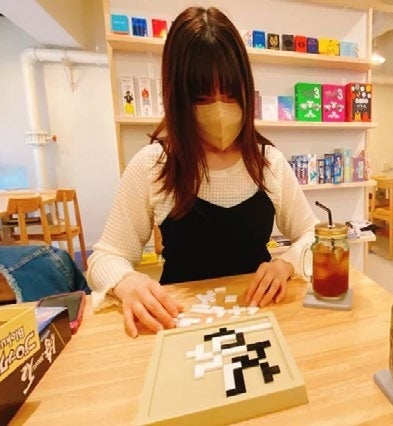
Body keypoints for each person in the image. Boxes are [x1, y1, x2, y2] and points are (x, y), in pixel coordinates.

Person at [87, 6, 318, 338]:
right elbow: (105, 257)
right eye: (203, 98)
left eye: (230, 95)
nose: (220, 110)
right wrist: (126, 281)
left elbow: (313, 235)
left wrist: (286, 264)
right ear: (178, 99)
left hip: (260, 319)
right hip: (179, 325)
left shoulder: (269, 162)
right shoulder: (152, 165)